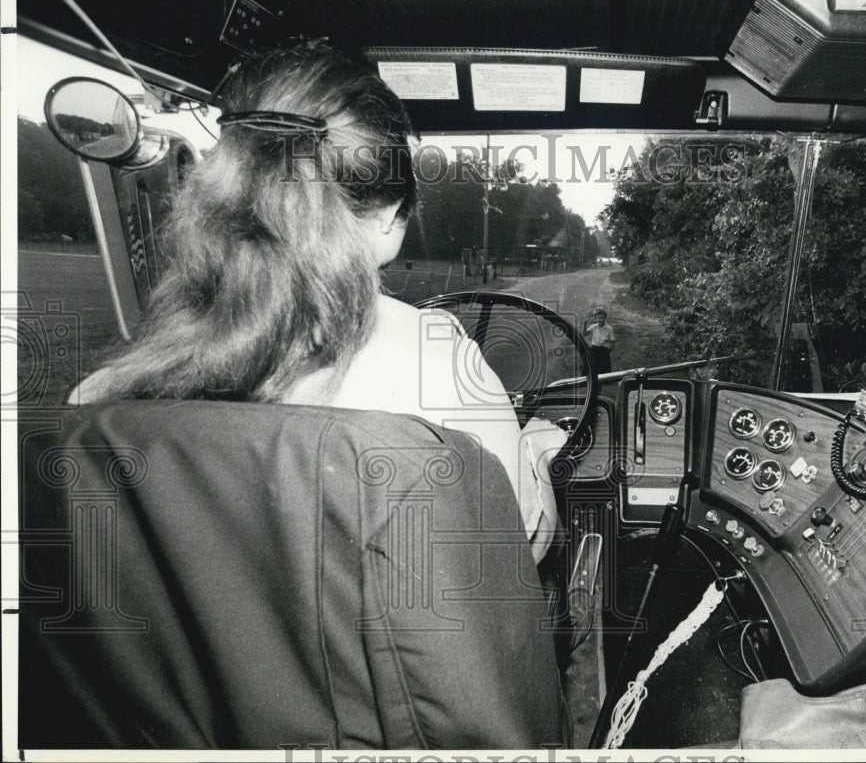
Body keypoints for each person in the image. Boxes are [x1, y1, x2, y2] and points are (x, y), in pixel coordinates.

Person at [72, 43, 564, 563]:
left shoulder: (94, 405)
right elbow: (518, 550)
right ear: (390, 214)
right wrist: (536, 453)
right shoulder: (439, 357)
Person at [585, 306, 615, 374]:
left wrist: (607, 352)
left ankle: (604, 381)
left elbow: (613, 342)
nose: (601, 320)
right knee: (590, 366)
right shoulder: (593, 327)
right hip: (594, 349)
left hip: (603, 350)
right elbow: (585, 333)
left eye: (602, 318)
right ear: (596, 318)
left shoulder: (609, 328)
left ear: (605, 317)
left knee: (604, 370)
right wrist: (585, 323)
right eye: (599, 318)